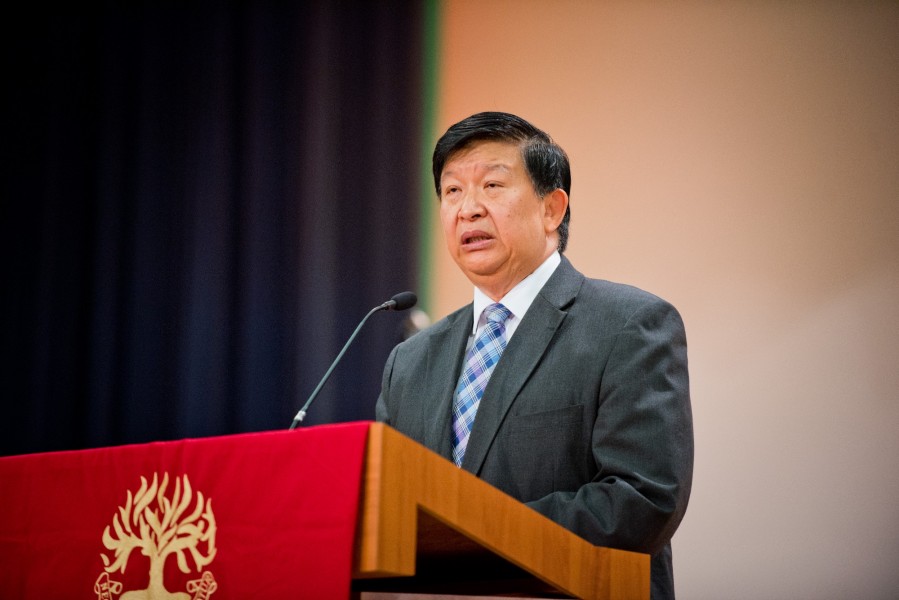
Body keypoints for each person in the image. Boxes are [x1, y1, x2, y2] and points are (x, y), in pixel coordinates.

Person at [376, 111, 693, 599]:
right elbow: (386, 508)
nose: (468, 209)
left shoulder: (629, 325)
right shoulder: (410, 361)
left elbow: (641, 499)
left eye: (492, 186)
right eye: (452, 191)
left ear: (552, 209)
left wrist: (473, 535)